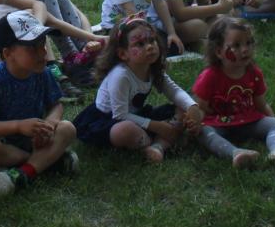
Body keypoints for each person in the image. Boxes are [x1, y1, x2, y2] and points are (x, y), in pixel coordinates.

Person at [0, 10, 79, 196]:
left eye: (42, 44)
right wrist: (19, 126)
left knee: (67, 128)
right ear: (8, 54)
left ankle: (22, 172)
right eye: (32, 48)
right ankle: (46, 161)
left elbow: (56, 105)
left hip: (29, 138)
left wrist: (49, 124)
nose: (43, 52)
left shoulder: (42, 72)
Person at [72, 18, 201, 161]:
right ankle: (155, 143)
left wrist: (192, 107)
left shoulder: (152, 67)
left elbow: (174, 91)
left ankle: (158, 146)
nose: (150, 46)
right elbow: (120, 115)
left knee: (183, 107)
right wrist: (157, 126)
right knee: (125, 130)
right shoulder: (121, 76)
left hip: (137, 115)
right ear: (123, 54)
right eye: (140, 44)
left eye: (152, 40)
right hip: (110, 120)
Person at [193, 17, 275, 168]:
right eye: (236, 45)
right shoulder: (210, 76)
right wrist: (195, 124)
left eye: (249, 43)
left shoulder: (254, 73)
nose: (245, 49)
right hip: (217, 124)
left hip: (247, 121)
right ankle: (236, 153)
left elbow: (261, 104)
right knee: (204, 132)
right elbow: (200, 107)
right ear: (219, 52)